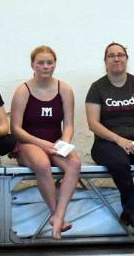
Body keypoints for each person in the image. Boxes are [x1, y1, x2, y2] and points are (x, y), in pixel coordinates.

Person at [85, 42, 134, 233]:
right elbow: (93, 124)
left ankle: (130, 211)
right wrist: (119, 140)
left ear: (127, 59)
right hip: (107, 143)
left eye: (120, 55)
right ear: (105, 61)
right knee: (120, 164)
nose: (116, 58)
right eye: (111, 55)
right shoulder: (97, 88)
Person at [10, 45, 81, 240]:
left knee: (74, 163)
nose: (45, 66)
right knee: (42, 164)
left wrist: (64, 144)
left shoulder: (64, 89)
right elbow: (15, 129)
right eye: (41, 63)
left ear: (55, 65)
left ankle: (59, 216)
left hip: (54, 143)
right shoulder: (23, 90)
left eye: (50, 63)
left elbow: (68, 124)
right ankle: (54, 213)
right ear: (33, 65)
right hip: (29, 144)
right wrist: (41, 143)